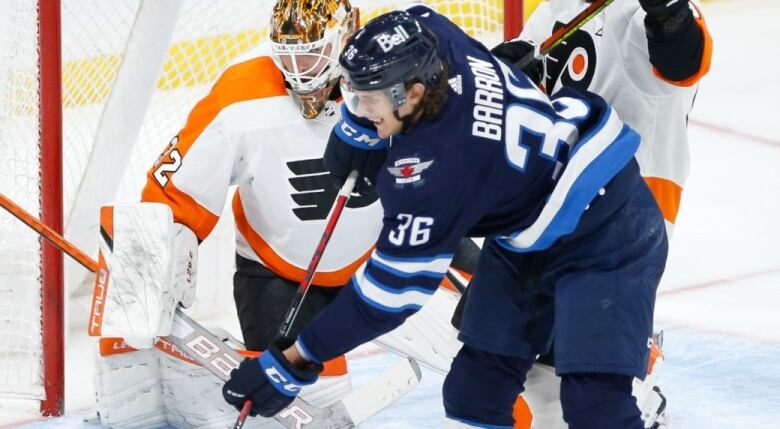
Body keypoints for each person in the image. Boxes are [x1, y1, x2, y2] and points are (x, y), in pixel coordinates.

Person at [220, 5, 668, 429]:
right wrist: (358, 127)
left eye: (371, 100)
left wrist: (296, 361)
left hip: (608, 228)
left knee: (595, 405)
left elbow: (387, 298)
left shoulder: (435, 174)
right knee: (474, 393)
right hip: (528, 229)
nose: (361, 105)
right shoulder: (430, 34)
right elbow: (408, 23)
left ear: (412, 94)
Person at [487, 0, 712, 426]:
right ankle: (631, 365)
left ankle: (632, 383)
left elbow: (682, 58)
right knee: (513, 372)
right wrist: (506, 76)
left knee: (569, 387)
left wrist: (668, 13)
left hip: (623, 218)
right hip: (553, 206)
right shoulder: (559, 6)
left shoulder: (637, 13)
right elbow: (526, 79)